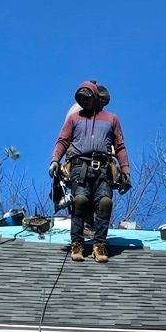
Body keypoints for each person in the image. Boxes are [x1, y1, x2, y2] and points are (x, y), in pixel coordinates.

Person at [48, 80, 131, 264]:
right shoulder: (74, 118)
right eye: (81, 100)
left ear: (95, 98)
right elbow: (62, 141)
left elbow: (120, 146)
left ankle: (99, 244)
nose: (84, 103)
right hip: (79, 167)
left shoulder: (111, 119)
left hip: (103, 168)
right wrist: (55, 160)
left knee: (105, 202)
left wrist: (125, 171)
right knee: (80, 200)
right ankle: (77, 243)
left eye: (87, 98)